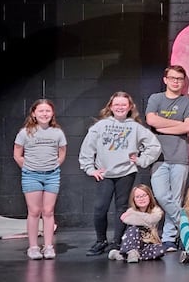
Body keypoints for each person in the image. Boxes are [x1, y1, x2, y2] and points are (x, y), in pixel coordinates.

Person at [79, 91, 162, 257]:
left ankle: (117, 242)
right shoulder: (100, 126)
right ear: (110, 106)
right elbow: (87, 148)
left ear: (130, 107)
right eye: (116, 104)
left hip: (126, 172)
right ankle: (100, 240)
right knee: (100, 208)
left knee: (121, 208)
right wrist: (90, 168)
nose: (120, 107)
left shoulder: (135, 127)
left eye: (124, 104)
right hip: (105, 173)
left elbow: (154, 146)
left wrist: (140, 160)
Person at [145, 65, 189, 252]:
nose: (176, 81)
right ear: (165, 80)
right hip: (158, 157)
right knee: (161, 195)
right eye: (173, 78)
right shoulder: (155, 98)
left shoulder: (188, 103)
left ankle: (169, 239)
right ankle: (187, 229)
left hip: (179, 157)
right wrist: (179, 124)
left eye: (179, 79)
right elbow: (151, 121)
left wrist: (163, 127)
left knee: (175, 198)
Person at [13, 99, 67, 260]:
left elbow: (62, 152)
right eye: (41, 111)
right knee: (34, 211)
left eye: (48, 111)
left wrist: (54, 165)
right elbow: (17, 154)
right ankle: (33, 247)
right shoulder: (25, 132)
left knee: (48, 211)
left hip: (52, 175)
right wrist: (29, 167)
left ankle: (49, 246)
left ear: (52, 114)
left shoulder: (57, 132)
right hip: (31, 175)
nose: (44, 114)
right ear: (34, 114)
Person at [107, 184, 165, 263]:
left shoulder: (156, 211)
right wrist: (142, 220)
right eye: (137, 197)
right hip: (132, 242)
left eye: (144, 195)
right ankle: (132, 252)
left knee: (160, 250)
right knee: (133, 229)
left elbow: (152, 220)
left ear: (150, 196)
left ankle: (122, 255)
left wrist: (136, 215)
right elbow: (125, 220)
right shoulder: (130, 210)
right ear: (133, 199)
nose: (141, 199)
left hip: (147, 242)